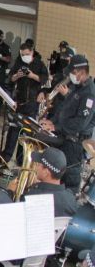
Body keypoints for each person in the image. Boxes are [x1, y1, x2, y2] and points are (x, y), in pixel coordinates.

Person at [39, 54, 95, 190]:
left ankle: (66, 205)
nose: (71, 76)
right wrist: (50, 122)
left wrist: (56, 127)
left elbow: (79, 124)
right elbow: (62, 111)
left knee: (68, 180)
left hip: (74, 144)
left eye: (73, 73)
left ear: (81, 72)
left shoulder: (89, 93)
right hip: (63, 137)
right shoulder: (76, 87)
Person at [2, 43, 49, 162]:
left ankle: (21, 158)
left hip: (32, 103)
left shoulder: (39, 64)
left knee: (27, 132)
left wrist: (32, 75)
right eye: (22, 55)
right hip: (19, 102)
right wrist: (17, 76)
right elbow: (10, 79)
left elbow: (45, 81)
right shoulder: (19, 62)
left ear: (32, 52)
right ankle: (6, 156)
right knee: (13, 130)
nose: (24, 57)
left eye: (27, 54)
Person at [15, 148, 78, 217]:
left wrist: (10, 192)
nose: (36, 167)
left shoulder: (31, 197)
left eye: (39, 164)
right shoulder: (70, 199)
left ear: (46, 172)